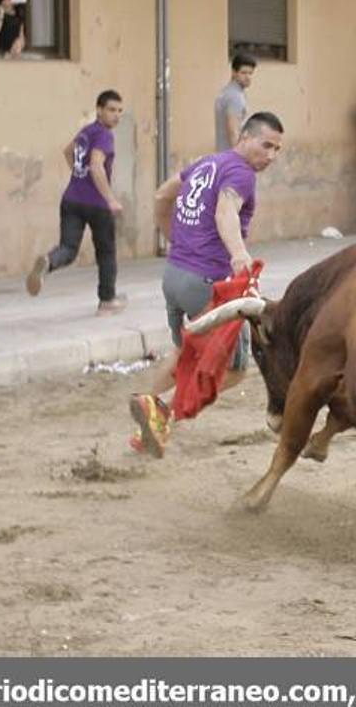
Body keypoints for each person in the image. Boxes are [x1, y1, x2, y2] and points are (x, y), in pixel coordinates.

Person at [128, 112, 285, 457]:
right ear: (244, 137)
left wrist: (173, 239)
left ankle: (148, 420)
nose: (271, 156)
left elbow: (162, 196)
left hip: (174, 276)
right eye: (266, 145)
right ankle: (161, 410)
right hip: (208, 282)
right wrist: (239, 254)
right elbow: (225, 211)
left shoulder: (207, 163)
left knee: (183, 353)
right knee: (234, 370)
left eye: (277, 149)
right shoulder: (241, 173)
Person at [25, 90, 126, 314]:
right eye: (111, 110)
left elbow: (67, 152)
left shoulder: (86, 131)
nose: (116, 115)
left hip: (71, 199)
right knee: (106, 252)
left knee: (68, 249)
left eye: (120, 111)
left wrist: (79, 175)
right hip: (97, 204)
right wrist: (110, 199)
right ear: (99, 110)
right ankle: (107, 301)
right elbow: (97, 166)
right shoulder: (104, 135)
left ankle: (49, 261)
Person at [215, 52, 255, 152]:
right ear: (234, 72)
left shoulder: (226, 92)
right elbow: (233, 131)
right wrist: (238, 157)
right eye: (243, 73)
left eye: (250, 73)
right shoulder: (235, 97)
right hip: (232, 155)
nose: (248, 77)